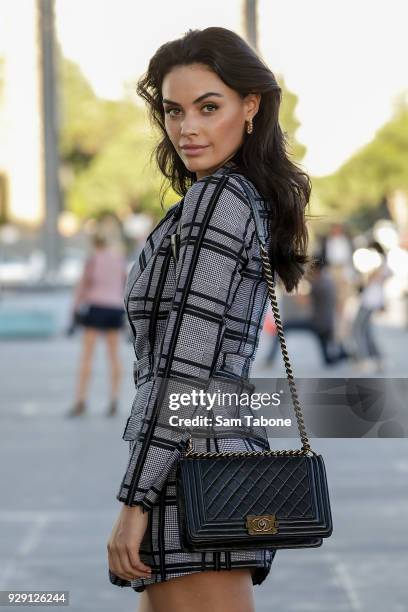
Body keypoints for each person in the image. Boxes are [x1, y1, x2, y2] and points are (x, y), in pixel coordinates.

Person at [107, 27, 313, 612]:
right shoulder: (238, 197)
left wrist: (134, 503)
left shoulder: (218, 200)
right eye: (174, 111)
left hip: (194, 474)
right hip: (206, 467)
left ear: (251, 107)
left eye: (208, 107)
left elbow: (183, 370)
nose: (187, 128)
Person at [67, 234, 128, 418]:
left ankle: (81, 400)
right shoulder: (119, 260)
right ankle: (114, 399)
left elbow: (82, 288)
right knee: (114, 356)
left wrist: (73, 313)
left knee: (87, 355)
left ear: (93, 242)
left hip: (96, 308)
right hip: (115, 309)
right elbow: (125, 284)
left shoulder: (92, 260)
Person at [264, 258, 350, 366]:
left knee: (283, 327)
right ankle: (347, 354)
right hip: (327, 324)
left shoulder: (317, 283)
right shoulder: (329, 282)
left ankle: (269, 359)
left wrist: (293, 286)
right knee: (328, 360)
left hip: (317, 323)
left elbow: (303, 302)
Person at [351, 242, 392, 372]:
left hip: (370, 299)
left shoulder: (378, 262)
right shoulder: (382, 262)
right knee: (367, 330)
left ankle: (365, 360)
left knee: (357, 329)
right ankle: (378, 359)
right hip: (372, 298)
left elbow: (372, 279)